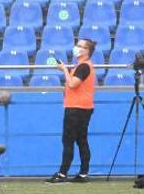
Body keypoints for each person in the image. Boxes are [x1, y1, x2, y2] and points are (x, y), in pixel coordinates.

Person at [48, 38, 97, 184]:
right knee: (81, 140)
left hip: (76, 108)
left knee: (68, 141)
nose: (77, 48)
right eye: (77, 45)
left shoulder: (83, 67)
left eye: (80, 46)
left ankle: (63, 174)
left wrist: (64, 70)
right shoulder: (83, 66)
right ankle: (83, 173)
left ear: (87, 51)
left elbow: (73, 84)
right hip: (83, 107)